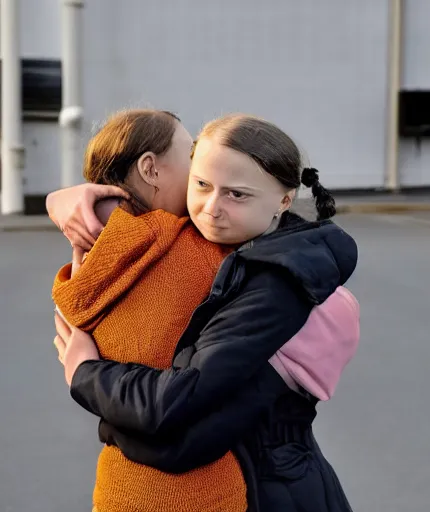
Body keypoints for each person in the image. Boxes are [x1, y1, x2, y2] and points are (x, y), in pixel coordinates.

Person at [50, 112, 359, 512]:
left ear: (284, 200)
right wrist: (69, 199)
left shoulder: (274, 284)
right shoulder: (235, 241)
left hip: (271, 489)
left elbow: (179, 432)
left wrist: (87, 375)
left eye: (236, 194)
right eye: (200, 182)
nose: (211, 208)